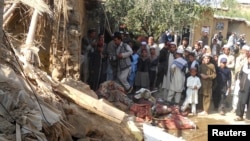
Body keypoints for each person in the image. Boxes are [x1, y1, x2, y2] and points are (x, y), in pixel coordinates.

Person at [235, 52, 250, 121]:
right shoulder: (244, 66)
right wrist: (241, 82)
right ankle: (239, 115)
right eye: (249, 58)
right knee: (241, 100)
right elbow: (240, 75)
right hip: (244, 86)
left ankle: (248, 117)